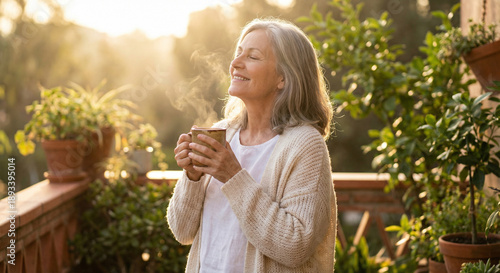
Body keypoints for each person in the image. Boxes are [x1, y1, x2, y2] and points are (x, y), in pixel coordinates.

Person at [167, 18, 337, 273]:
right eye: (238, 53)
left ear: (283, 77)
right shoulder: (223, 133)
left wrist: (233, 176)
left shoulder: (304, 144)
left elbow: (296, 246)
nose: (235, 63)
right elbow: (182, 231)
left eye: (253, 56)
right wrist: (192, 177)